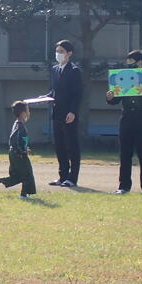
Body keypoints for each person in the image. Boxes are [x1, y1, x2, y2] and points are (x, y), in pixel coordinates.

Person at [106, 50, 142, 194]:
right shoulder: (122, 78)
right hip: (126, 121)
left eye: (131, 62)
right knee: (125, 155)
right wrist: (110, 97)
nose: (129, 65)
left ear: (140, 62)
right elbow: (115, 101)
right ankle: (123, 186)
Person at [42, 40, 82, 187]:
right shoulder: (55, 69)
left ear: (69, 53)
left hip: (68, 114)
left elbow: (78, 94)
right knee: (60, 146)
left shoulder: (74, 70)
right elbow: (54, 91)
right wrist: (45, 97)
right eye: (57, 51)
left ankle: (72, 178)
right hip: (57, 113)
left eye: (61, 51)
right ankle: (62, 176)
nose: (58, 54)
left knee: (72, 146)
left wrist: (73, 111)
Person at [0, 101, 36, 199]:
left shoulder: (18, 124)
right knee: (27, 173)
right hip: (18, 154)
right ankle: (23, 195)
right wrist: (21, 151)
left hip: (16, 153)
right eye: (28, 110)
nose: (29, 113)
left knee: (18, 176)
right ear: (23, 113)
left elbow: (20, 140)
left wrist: (24, 148)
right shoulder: (20, 126)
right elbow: (13, 139)